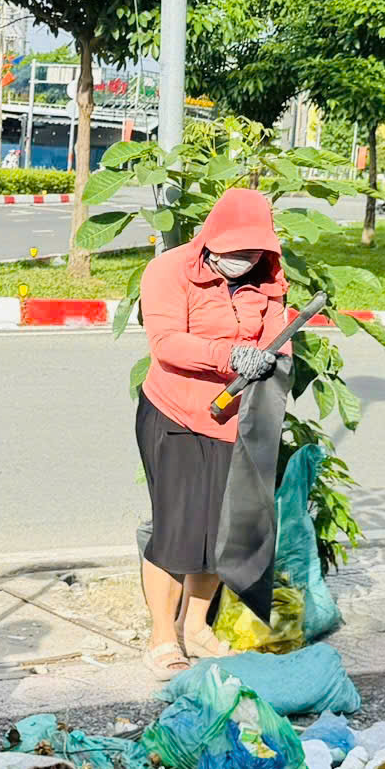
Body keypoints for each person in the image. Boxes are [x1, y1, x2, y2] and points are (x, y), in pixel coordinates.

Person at [135, 189, 292, 675]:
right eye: (230, 254)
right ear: (211, 239)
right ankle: (163, 636)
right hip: (175, 416)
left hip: (234, 422)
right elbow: (165, 344)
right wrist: (229, 356)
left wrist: (273, 358)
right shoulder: (168, 270)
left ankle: (197, 627)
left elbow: (275, 339)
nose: (239, 263)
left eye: (249, 256)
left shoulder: (266, 282)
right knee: (175, 531)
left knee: (217, 535)